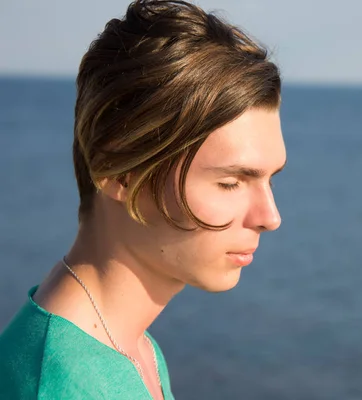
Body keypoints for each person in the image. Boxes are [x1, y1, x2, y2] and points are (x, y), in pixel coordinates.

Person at [0, 0, 286, 398]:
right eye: (231, 183)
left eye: (271, 180)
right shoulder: (62, 385)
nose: (270, 217)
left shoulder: (128, 346)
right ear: (119, 171)